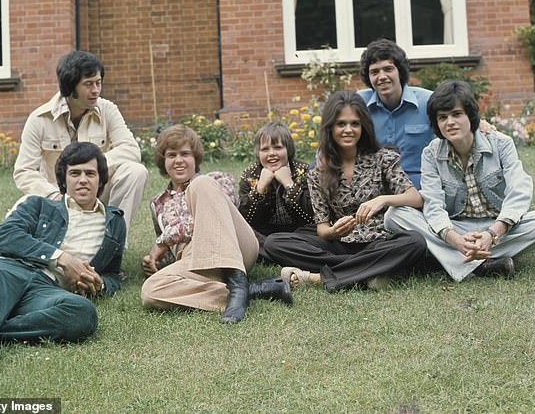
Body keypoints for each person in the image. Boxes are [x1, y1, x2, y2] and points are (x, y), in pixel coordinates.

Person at [0, 142, 126, 388]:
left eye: (90, 173)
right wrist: (61, 258)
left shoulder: (114, 221)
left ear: (100, 179)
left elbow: (112, 273)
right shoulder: (40, 205)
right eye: (75, 173)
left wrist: (98, 284)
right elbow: (3, 236)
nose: (83, 180)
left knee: (82, 314)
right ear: (64, 179)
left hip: (49, 290)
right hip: (8, 270)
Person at [384, 80, 535, 281]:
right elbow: (433, 204)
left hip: (497, 226)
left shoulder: (502, 144)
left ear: (470, 116)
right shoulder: (431, 153)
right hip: (456, 227)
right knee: (395, 215)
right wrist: (455, 239)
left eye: (456, 114)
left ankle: (453, 260)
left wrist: (492, 234)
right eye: (442, 117)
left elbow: (520, 190)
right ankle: (480, 265)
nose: (450, 122)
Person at [263, 91, 428, 292]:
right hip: (342, 243)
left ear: (363, 126)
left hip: (380, 241)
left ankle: (318, 277)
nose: (348, 130)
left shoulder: (383, 158)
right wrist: (333, 231)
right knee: (275, 243)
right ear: (330, 127)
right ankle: (371, 270)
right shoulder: (318, 172)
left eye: (354, 124)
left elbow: (415, 198)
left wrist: (383, 200)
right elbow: (322, 228)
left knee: (415, 242)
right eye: (341, 124)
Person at [140, 124, 292, 324]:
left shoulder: (215, 179)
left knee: (198, 185)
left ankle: (238, 280)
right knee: (151, 291)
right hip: (195, 260)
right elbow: (171, 254)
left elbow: (214, 218)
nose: (178, 160)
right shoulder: (157, 202)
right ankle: (253, 290)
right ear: (163, 161)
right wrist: (155, 262)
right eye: (171, 155)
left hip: (234, 247)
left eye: (185, 154)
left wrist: (163, 240)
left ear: (195, 158)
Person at [13, 50, 147, 238]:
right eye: (88, 84)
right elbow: (24, 172)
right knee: (20, 207)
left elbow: (131, 150)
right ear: (70, 86)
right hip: (57, 198)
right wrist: (55, 196)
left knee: (135, 171)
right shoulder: (39, 119)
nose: (96, 90)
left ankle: (112, 243)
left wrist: (94, 166)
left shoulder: (108, 110)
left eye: (98, 82)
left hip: (96, 190)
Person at [357, 38, 434, 189]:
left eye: (388, 69)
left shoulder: (428, 102)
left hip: (419, 185)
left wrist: (480, 124)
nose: (382, 76)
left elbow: (458, 119)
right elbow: (334, 133)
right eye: (374, 72)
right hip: (374, 186)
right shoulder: (358, 103)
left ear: (400, 71)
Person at [238, 122, 315, 262]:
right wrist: (260, 188)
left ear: (288, 149)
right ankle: (285, 253)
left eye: (278, 147)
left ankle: (273, 254)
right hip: (264, 234)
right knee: (242, 234)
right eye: (265, 149)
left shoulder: (304, 171)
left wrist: (289, 184)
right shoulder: (249, 176)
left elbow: (311, 215)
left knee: (317, 232)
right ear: (258, 153)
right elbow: (245, 220)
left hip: (298, 232)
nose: (272, 154)